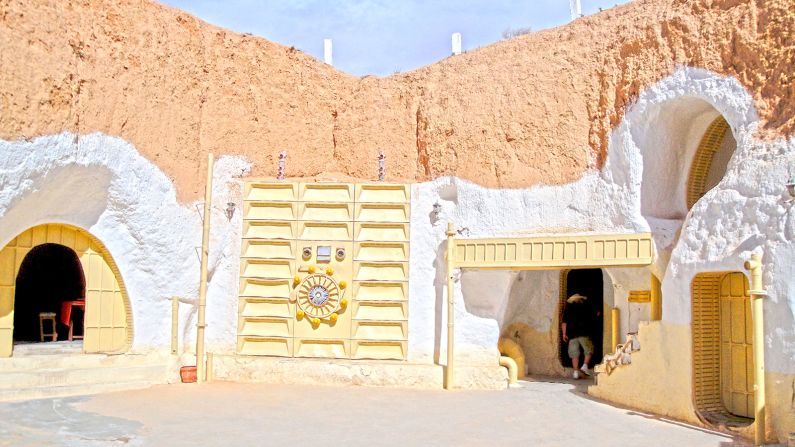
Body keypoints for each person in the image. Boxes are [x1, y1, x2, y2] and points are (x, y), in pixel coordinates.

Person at [561, 293, 597, 379]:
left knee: (574, 354)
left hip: (572, 334)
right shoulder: (586, 307)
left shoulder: (568, 309)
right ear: (581, 299)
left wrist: (564, 334)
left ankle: (575, 372)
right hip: (584, 333)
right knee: (588, 350)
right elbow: (595, 315)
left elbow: (564, 323)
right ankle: (585, 365)